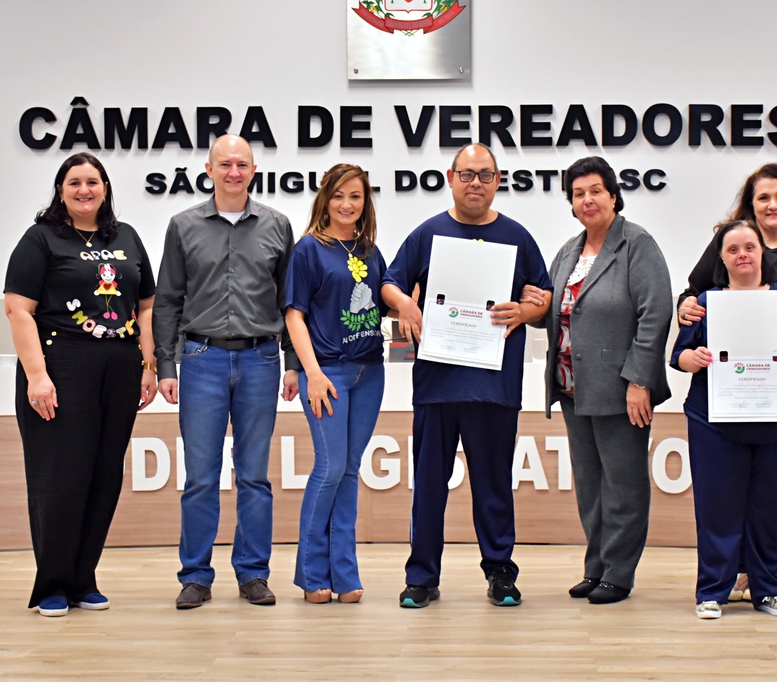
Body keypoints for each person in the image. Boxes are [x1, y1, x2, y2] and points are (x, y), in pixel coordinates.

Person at [381, 143, 553, 608]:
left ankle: (500, 573)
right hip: (437, 384)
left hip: (494, 386)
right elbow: (388, 281)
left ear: (497, 181)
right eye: (467, 174)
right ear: (450, 178)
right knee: (429, 487)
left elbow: (544, 299)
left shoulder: (518, 237)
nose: (475, 182)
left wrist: (526, 310)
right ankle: (422, 577)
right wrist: (406, 305)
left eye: (485, 175)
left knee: (494, 485)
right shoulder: (427, 233)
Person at [4, 152, 157, 617]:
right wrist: (37, 376)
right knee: (60, 479)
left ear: (105, 188)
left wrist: (148, 364)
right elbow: (17, 309)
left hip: (119, 370)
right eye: (75, 182)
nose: (84, 190)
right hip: (61, 368)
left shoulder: (125, 236)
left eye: (93, 182)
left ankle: (83, 578)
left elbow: (146, 304)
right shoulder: (41, 238)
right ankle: (52, 583)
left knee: (103, 477)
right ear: (61, 189)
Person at [153, 134, 300, 609]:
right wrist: (166, 364)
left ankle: (253, 574)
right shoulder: (182, 226)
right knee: (200, 476)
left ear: (253, 170)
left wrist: (294, 363)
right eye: (225, 164)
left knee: (254, 476)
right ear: (209, 169)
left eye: (242, 164)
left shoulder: (278, 225)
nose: (233, 172)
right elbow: (169, 299)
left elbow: (290, 303)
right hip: (201, 360)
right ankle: (195, 575)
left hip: (261, 359)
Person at [677, 163, 777, 602]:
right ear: (724, 255)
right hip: (723, 405)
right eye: (763, 197)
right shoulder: (713, 292)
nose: (772, 204)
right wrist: (688, 317)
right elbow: (692, 309)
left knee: (776, 500)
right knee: (722, 500)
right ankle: (722, 585)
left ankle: (766, 584)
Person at [524, 156, 673, 604]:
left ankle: (619, 573)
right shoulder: (569, 251)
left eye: (595, 190)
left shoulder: (637, 245)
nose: (587, 200)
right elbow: (556, 314)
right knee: (590, 485)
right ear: (571, 202)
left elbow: (656, 314)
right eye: (578, 193)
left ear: (613, 195)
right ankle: (597, 566)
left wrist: (639, 381)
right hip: (573, 388)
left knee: (623, 485)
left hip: (621, 389)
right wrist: (533, 305)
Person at [284, 164, 387, 605]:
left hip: (370, 372)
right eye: (339, 195)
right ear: (325, 199)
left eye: (357, 196)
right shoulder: (309, 249)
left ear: (366, 203)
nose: (348, 204)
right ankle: (311, 573)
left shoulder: (369, 251)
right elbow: (294, 316)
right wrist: (313, 373)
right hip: (328, 373)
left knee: (348, 469)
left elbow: (389, 301)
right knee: (329, 468)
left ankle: (345, 574)